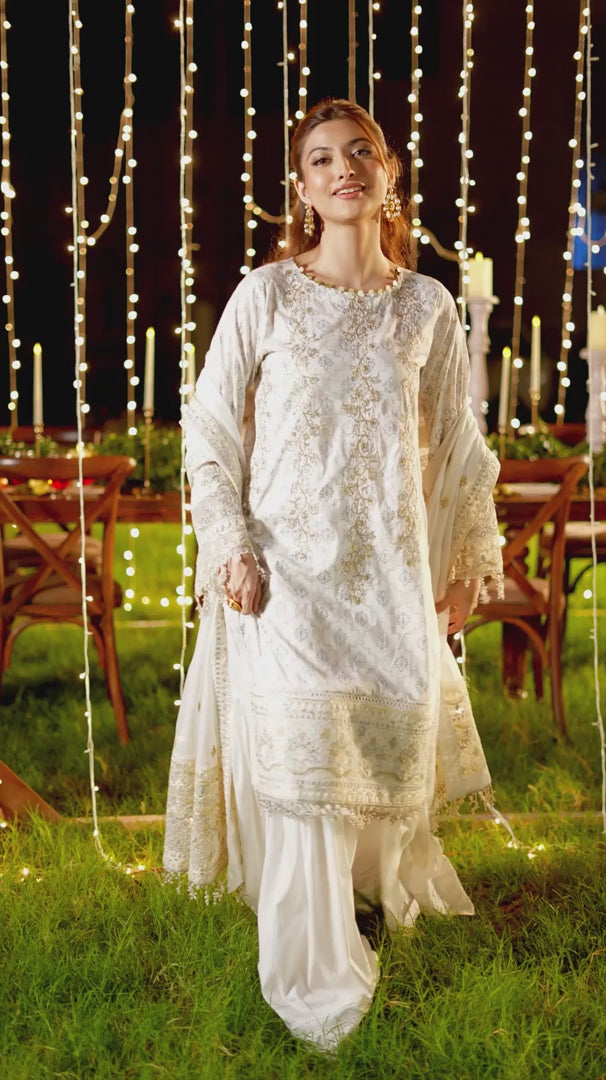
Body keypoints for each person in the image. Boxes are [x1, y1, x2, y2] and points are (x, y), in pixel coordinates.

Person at [163, 98, 504, 1051]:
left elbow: (458, 443)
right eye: (321, 159)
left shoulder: (427, 306)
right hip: (284, 576)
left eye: (360, 152)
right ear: (303, 189)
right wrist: (230, 545)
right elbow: (210, 431)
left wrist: (468, 563)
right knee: (305, 766)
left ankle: (370, 893)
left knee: (375, 751)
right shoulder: (265, 296)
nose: (343, 168)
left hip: (387, 573)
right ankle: (314, 964)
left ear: (388, 174)